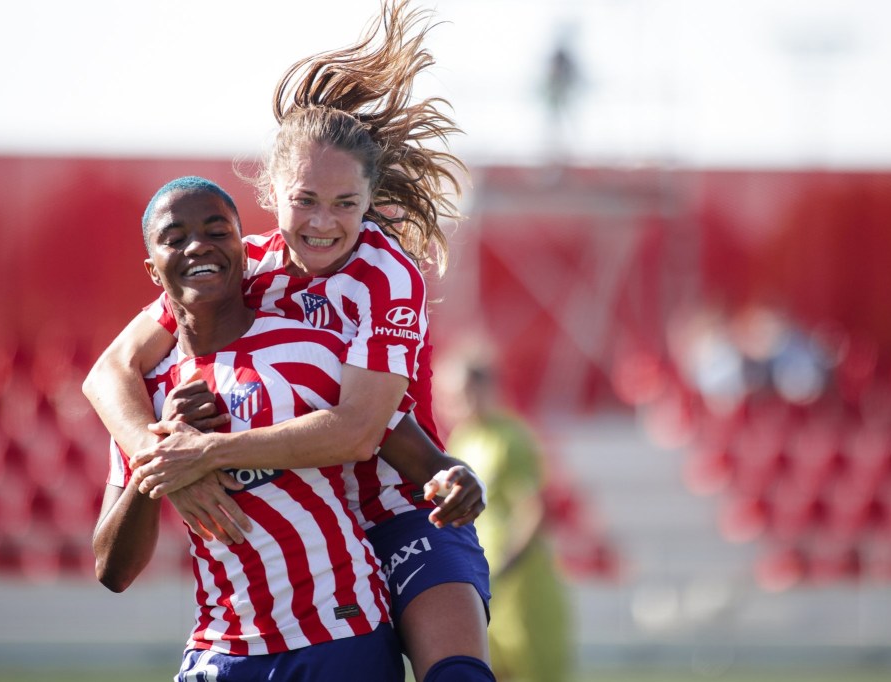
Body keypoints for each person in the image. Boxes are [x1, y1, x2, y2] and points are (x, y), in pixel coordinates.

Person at [82, 3, 494, 681]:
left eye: (346, 204)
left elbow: (361, 431)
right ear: (271, 193)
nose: (324, 223)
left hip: (399, 507)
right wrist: (164, 465)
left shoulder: (384, 273)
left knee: (458, 676)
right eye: (305, 200)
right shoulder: (240, 264)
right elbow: (110, 371)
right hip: (308, 531)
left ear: (369, 201)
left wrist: (203, 455)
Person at [93, 176, 404, 681]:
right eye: (175, 238)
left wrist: (452, 478)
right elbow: (113, 570)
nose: (198, 246)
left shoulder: (311, 349)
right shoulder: (143, 403)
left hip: (339, 632)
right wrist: (164, 458)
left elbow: (391, 438)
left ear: (245, 249)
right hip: (222, 647)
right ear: (152, 268)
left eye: (217, 232)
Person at [440, 349, 574, 682]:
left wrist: (504, 566)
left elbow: (534, 511)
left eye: (465, 392)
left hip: (519, 583)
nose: (457, 403)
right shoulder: (462, 440)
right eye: (451, 395)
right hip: (484, 578)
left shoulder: (511, 438)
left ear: (486, 388)